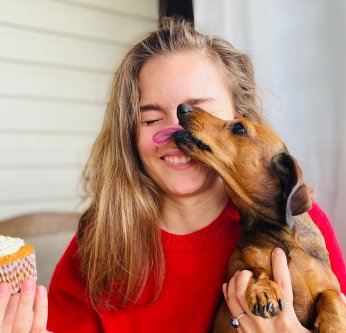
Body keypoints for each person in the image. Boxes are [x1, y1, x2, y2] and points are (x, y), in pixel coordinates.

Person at [0, 17, 345, 333]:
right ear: (129, 135)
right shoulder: (100, 240)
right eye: (150, 119)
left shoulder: (301, 224)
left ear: (240, 118)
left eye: (200, 110)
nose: (177, 133)